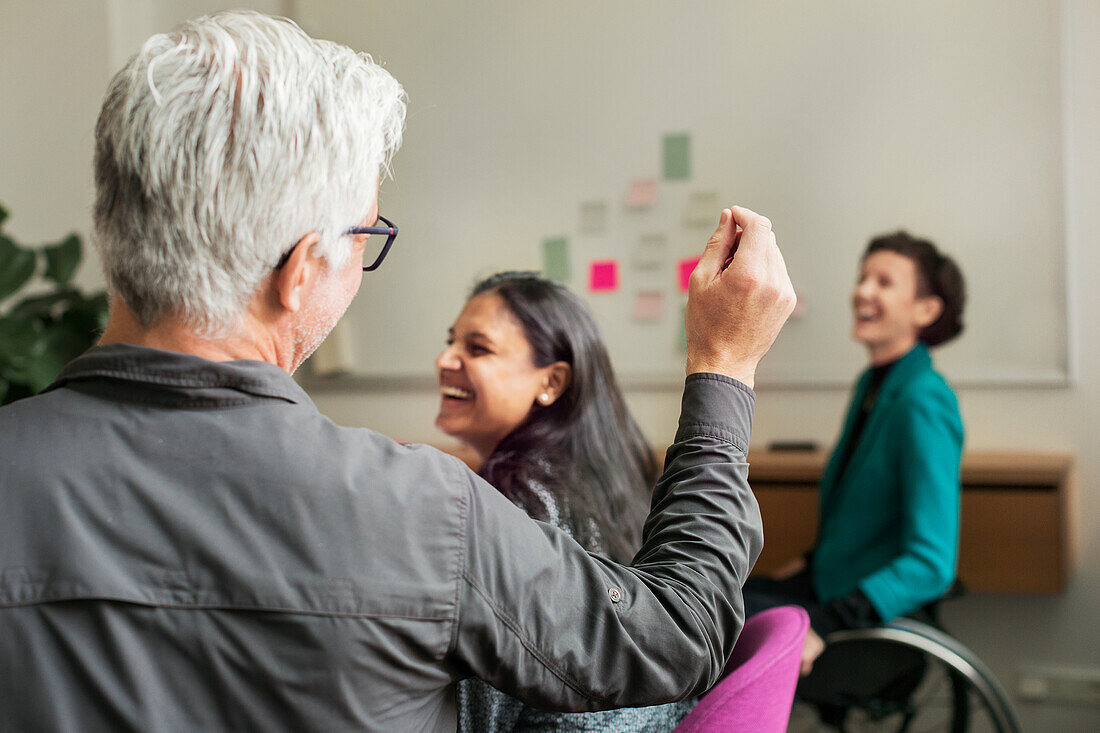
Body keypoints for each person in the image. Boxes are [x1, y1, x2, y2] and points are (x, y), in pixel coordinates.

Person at [0, 10, 797, 731]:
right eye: (363, 237)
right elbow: (677, 634)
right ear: (302, 269)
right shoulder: (427, 516)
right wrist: (724, 364)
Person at [435, 272, 692, 731]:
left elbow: (480, 715)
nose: (444, 360)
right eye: (451, 342)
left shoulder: (517, 500)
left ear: (552, 382)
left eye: (477, 348)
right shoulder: (606, 467)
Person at [745, 231, 966, 675]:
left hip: (857, 625)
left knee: (712, 624)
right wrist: (813, 560)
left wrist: (827, 623)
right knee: (713, 602)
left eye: (884, 282)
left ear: (926, 309)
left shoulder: (923, 399)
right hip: (829, 585)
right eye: (863, 277)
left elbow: (931, 564)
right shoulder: (875, 385)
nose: (862, 291)